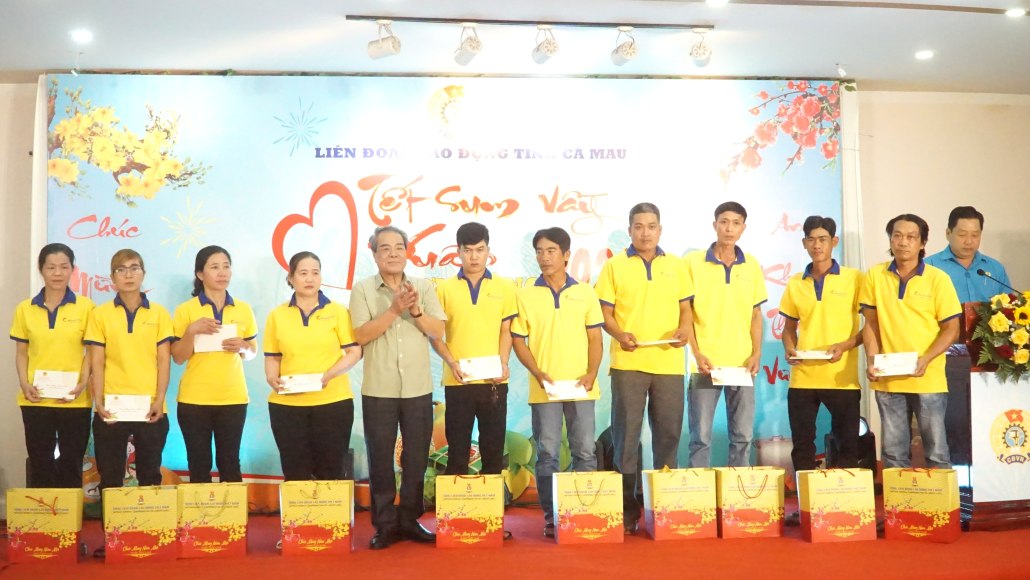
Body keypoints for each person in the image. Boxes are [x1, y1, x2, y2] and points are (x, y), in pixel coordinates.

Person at [594, 203, 693, 534]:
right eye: (639, 226)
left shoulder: (677, 266)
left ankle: (664, 506)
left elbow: (686, 309)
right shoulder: (614, 266)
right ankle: (627, 509)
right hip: (629, 363)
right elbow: (605, 314)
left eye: (651, 226)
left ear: (660, 230)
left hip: (668, 363)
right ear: (630, 230)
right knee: (626, 437)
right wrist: (620, 334)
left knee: (668, 435)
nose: (645, 233)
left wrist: (684, 331)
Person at [350, 226, 446, 550]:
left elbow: (438, 331)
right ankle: (385, 524)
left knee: (416, 457)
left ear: (407, 252)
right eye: (385, 248)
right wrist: (393, 310)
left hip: (418, 387)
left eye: (398, 247)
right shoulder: (363, 290)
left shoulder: (423, 287)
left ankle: (409, 519)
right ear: (374, 253)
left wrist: (415, 311)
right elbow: (361, 335)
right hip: (379, 388)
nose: (393, 253)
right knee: (380, 459)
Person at [511, 227, 604, 539]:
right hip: (545, 389)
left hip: (581, 387)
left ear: (566, 255)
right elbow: (518, 340)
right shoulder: (525, 294)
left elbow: (595, 338)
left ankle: (583, 512)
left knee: (585, 452)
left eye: (551, 251)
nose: (544, 257)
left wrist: (591, 373)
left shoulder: (586, 293)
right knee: (548, 453)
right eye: (539, 251)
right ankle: (553, 516)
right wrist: (538, 373)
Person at [85, 249, 172, 558]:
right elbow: (97, 360)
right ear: (112, 278)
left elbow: (164, 360)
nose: (128, 274)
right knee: (110, 477)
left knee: (150, 475)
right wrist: (98, 402)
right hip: (112, 407)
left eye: (134, 268)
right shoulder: (100, 314)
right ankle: (113, 539)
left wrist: (159, 400)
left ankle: (149, 535)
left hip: (150, 408)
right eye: (121, 270)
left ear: (143, 273)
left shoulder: (159, 314)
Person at [778, 217, 863, 524]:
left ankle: (846, 507)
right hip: (803, 378)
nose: (817, 245)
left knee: (847, 445)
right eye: (811, 239)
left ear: (834, 242)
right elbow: (789, 328)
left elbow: (870, 327)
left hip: (842, 378)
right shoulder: (795, 283)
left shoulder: (855, 279)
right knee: (802, 446)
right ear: (804, 243)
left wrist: (846, 345)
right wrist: (790, 347)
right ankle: (806, 508)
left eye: (823, 239)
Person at [861, 214, 961, 469]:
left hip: (927, 377)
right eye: (897, 235)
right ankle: (897, 497)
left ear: (922, 242)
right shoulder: (875, 275)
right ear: (890, 240)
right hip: (888, 377)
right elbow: (871, 325)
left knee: (936, 452)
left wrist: (926, 359)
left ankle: (941, 497)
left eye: (911, 237)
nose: (903, 242)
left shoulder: (938, 279)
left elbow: (952, 330)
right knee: (893, 454)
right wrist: (871, 361)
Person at [263, 251, 361, 483]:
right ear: (291, 278)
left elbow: (354, 352)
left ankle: (329, 509)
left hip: (333, 402)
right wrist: (271, 377)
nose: (310, 279)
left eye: (315, 273)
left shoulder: (337, 311)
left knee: (330, 471)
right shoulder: (277, 315)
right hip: (288, 406)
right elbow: (272, 356)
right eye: (303, 273)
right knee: (295, 472)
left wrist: (329, 375)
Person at [925, 206, 1012, 465]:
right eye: (962, 234)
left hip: (988, 358)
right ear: (948, 233)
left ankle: (988, 472)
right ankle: (954, 474)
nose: (969, 241)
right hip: (945, 356)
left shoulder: (993, 268)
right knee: (951, 420)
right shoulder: (930, 267)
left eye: (975, 235)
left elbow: (1008, 309)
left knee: (988, 419)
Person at [685, 202, 768, 467]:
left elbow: (756, 314)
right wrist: (696, 353)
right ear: (715, 225)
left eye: (735, 223)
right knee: (700, 437)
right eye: (724, 222)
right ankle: (700, 490)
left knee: (742, 436)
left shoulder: (751, 265)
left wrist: (756, 353)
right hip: (705, 365)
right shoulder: (693, 263)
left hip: (742, 365)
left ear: (743, 228)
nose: (729, 228)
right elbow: (685, 313)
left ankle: (737, 489)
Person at [430, 223, 517, 477]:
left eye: (480, 250)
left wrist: (503, 363)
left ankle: (491, 501)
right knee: (457, 451)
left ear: (488, 250)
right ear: (458, 252)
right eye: (467, 250)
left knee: (493, 451)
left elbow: (506, 330)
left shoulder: (504, 287)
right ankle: (456, 502)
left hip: (494, 381)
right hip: (458, 380)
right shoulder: (444, 288)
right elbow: (435, 335)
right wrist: (451, 363)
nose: (474, 257)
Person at [10, 243, 94, 488]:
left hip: (74, 399)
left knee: (72, 461)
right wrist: (24, 383)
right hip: (35, 398)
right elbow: (21, 353)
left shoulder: (86, 307)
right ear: (41, 270)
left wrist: (83, 383)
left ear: (72, 270)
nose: (57, 273)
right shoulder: (25, 308)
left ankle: (69, 511)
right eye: (51, 267)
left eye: (64, 267)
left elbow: (91, 353)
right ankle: (43, 510)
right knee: (40, 462)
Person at [171, 246, 257, 483]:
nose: (222, 273)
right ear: (200, 274)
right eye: (214, 267)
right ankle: (199, 508)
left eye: (226, 267)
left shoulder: (243, 308)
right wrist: (191, 331)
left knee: (230, 462)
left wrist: (243, 346)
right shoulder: (186, 310)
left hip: (233, 398)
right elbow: (178, 357)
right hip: (194, 399)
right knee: (198, 463)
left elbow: (252, 352)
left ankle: (232, 509)